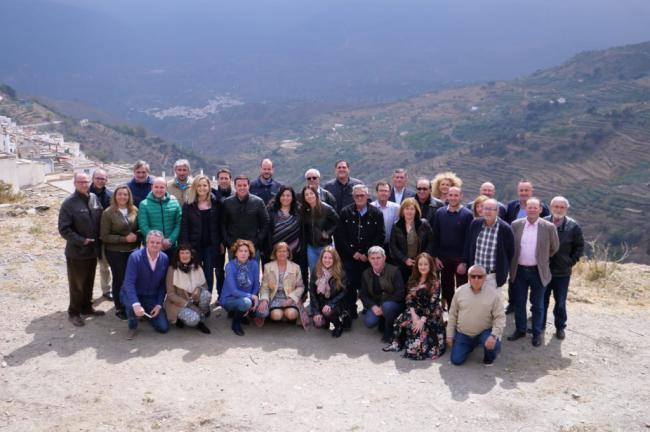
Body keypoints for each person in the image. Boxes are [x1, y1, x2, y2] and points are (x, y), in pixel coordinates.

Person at [507, 197, 560, 347]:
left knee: (537, 304)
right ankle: (520, 329)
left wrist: (542, 258)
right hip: (519, 271)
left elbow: (554, 248)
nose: (531, 209)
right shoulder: (516, 225)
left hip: (538, 271)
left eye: (534, 207)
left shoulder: (548, 227)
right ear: (526, 209)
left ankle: (536, 333)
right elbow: (511, 246)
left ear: (540, 210)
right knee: (519, 302)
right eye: (529, 207)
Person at [58, 172, 105, 327]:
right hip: (77, 252)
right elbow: (64, 229)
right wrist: (82, 241)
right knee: (77, 284)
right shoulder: (68, 204)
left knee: (89, 281)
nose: (84, 184)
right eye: (81, 182)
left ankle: (86, 307)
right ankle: (74, 312)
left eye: (86, 182)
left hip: (93, 251)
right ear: (75, 183)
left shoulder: (93, 198)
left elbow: (100, 219)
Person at [382, 253, 446, 360]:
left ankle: (423, 346)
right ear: (417, 266)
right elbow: (409, 297)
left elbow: (433, 303)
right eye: (420, 264)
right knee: (400, 321)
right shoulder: (413, 279)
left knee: (419, 333)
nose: (423, 267)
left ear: (430, 265)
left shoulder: (435, 281)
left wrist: (422, 320)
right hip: (416, 309)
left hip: (431, 313)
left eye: (426, 264)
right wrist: (413, 314)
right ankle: (397, 343)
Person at [335, 184, 385, 320]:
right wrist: (353, 253)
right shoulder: (345, 212)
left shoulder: (376, 213)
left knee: (368, 285)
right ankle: (350, 309)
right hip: (350, 257)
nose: (359, 197)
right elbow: (340, 236)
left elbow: (380, 236)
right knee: (349, 285)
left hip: (369, 259)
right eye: (356, 195)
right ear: (353, 196)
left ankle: (369, 307)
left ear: (367, 196)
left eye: (362, 195)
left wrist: (367, 253)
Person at [543, 196, 584, 340]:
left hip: (562, 272)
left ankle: (560, 327)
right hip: (544, 271)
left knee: (560, 302)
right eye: (556, 206)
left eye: (562, 207)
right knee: (541, 300)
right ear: (551, 207)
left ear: (566, 209)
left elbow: (579, 247)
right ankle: (540, 325)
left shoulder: (573, 226)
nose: (558, 209)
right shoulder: (543, 223)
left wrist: (569, 262)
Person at [447, 265, 505, 366]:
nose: (476, 279)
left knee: (494, 346)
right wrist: (449, 334)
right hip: (463, 333)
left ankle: (488, 357)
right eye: (473, 276)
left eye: (480, 276)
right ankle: (469, 346)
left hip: (484, 333)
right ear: (469, 277)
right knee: (456, 360)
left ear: (485, 277)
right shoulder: (460, 291)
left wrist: (493, 335)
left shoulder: (493, 294)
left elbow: (500, 317)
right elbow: (452, 315)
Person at [100, 185, 140, 320]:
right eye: (120, 194)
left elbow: (138, 228)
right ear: (115, 196)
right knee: (119, 278)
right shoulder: (108, 213)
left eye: (125, 194)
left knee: (132, 278)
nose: (122, 197)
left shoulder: (134, 210)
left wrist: (137, 235)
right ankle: (119, 307)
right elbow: (104, 236)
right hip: (115, 252)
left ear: (129, 196)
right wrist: (124, 239)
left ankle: (131, 304)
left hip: (132, 251)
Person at [120, 230, 170, 339]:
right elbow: (129, 283)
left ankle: (145, 314)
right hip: (132, 293)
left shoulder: (164, 258)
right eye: (152, 242)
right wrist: (136, 304)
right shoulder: (135, 257)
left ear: (162, 245)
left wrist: (159, 304)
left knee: (163, 328)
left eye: (158, 243)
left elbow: (162, 284)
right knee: (132, 306)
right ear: (147, 242)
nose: (155, 245)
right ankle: (132, 326)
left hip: (150, 296)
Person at [432, 186, 474, 307]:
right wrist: (435, 257)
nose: (453, 198)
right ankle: (451, 314)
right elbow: (435, 236)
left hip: (460, 259)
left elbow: (468, 240)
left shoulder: (467, 215)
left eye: (456, 195)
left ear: (461, 196)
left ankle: (462, 315)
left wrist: (464, 261)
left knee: (462, 288)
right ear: (447, 196)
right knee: (447, 288)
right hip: (443, 258)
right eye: (451, 195)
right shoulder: (440, 213)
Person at [180, 175, 221, 294]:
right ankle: (195, 300)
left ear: (209, 187)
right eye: (199, 185)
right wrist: (185, 246)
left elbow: (219, 224)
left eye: (204, 185)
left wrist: (220, 243)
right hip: (194, 245)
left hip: (210, 244)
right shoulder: (189, 204)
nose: (202, 188)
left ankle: (206, 299)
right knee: (195, 272)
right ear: (194, 187)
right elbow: (185, 226)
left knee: (209, 272)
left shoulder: (215, 203)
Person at [462, 198, 514, 290]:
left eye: (491, 209)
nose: (488, 212)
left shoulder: (505, 229)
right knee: (475, 303)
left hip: (493, 276)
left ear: (497, 211)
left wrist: (504, 271)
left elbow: (510, 253)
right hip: (475, 274)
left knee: (491, 303)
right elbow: (469, 245)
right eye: (486, 208)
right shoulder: (475, 223)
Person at [360, 246, 405, 342]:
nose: (376, 261)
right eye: (372, 258)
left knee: (387, 307)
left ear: (384, 258)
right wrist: (373, 306)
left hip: (393, 304)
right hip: (376, 305)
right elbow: (363, 295)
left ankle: (389, 331)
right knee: (369, 322)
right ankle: (382, 320)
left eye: (378, 258)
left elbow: (400, 293)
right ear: (368, 259)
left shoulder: (394, 271)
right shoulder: (366, 273)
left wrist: (382, 306)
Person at [164, 245, 212, 334]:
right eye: (182, 253)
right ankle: (179, 319)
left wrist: (199, 288)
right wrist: (189, 305)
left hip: (194, 299)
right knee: (193, 319)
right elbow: (171, 294)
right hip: (178, 303)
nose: (184, 255)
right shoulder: (172, 269)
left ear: (191, 255)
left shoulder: (197, 267)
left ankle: (201, 318)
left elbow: (205, 286)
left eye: (187, 253)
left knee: (206, 294)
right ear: (178, 255)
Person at [221, 239, 264, 336]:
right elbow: (233, 291)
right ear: (235, 253)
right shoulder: (230, 266)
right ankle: (235, 323)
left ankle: (243, 312)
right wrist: (251, 297)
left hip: (247, 297)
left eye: (246, 251)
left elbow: (256, 284)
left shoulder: (254, 264)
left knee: (262, 312)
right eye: (240, 251)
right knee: (246, 302)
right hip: (229, 299)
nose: (243, 253)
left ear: (250, 253)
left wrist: (254, 296)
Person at [221, 175, 270, 259]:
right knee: (234, 272)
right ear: (235, 186)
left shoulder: (258, 202)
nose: (242, 188)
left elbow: (265, 222)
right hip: (233, 247)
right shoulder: (227, 203)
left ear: (249, 186)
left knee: (252, 272)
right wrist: (228, 242)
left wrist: (257, 241)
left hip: (253, 247)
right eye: (239, 185)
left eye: (244, 185)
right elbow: (222, 224)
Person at [258, 242, 306, 325]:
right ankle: (281, 315)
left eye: (284, 251)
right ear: (275, 253)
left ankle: (286, 315)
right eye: (279, 251)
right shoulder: (268, 267)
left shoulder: (296, 267)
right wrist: (265, 300)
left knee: (291, 314)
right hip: (275, 297)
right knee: (277, 315)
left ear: (288, 253)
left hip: (290, 297)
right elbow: (264, 287)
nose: (282, 253)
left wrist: (291, 299)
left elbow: (300, 287)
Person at [389, 198, 434, 283]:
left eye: (412, 209)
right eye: (407, 208)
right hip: (403, 265)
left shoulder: (424, 224)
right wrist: (405, 259)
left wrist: (423, 258)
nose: (409, 211)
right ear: (402, 210)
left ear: (416, 211)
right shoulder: (396, 226)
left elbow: (431, 241)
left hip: (421, 265)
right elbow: (393, 246)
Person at [138, 177, 182, 258]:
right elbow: (143, 226)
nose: (159, 190)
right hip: (152, 247)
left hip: (171, 246)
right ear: (152, 187)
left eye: (162, 187)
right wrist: (158, 241)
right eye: (156, 187)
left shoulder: (174, 203)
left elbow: (179, 223)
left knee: (171, 270)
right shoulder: (144, 204)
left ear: (166, 188)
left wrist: (171, 240)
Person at [309, 246, 348, 337]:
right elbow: (312, 292)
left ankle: (338, 326)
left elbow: (343, 292)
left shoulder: (341, 272)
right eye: (325, 257)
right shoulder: (316, 270)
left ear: (335, 259)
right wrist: (316, 312)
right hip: (321, 302)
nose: (327, 260)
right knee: (318, 324)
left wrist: (331, 304)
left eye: (330, 258)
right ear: (321, 258)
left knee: (327, 312)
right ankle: (326, 320)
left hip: (336, 303)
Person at [301, 185, 339, 273]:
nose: (309, 196)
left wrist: (328, 233)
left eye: (311, 193)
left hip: (325, 246)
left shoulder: (326, 208)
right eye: (306, 195)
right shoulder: (304, 210)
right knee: (314, 272)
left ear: (316, 194)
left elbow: (338, 222)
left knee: (328, 272)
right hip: (311, 247)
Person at [90, 168, 113, 300]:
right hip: (88, 237)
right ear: (93, 179)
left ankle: (106, 290)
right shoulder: (85, 193)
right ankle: (87, 292)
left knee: (105, 266)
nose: (100, 181)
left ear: (106, 180)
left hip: (103, 237)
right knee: (87, 267)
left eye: (102, 179)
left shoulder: (110, 196)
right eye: (97, 178)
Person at [212, 167, 233, 296]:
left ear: (230, 180)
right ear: (218, 180)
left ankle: (231, 292)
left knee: (232, 268)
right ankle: (221, 293)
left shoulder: (236, 195)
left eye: (226, 178)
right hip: (217, 237)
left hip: (232, 237)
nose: (224, 180)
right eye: (221, 178)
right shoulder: (212, 195)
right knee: (219, 269)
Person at [266, 185, 301, 261]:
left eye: (288, 195)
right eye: (283, 195)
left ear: (292, 197)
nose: (285, 198)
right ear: (279, 197)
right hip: (276, 252)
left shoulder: (299, 211)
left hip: (295, 252)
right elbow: (267, 232)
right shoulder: (271, 212)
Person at [370, 181, 400, 257]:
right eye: (381, 191)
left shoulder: (396, 208)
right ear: (376, 193)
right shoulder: (370, 208)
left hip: (391, 247)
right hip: (374, 246)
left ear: (390, 194)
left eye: (386, 191)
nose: (383, 193)